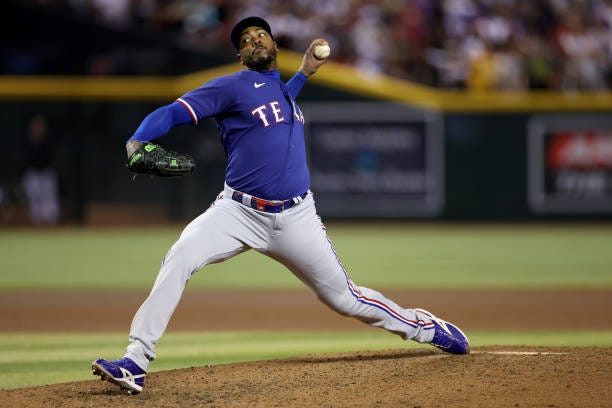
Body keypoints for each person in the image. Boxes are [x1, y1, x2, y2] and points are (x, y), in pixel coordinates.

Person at [92, 16, 469, 394]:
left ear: (274, 45)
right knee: (179, 257)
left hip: (297, 218)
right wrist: (137, 140)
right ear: (240, 55)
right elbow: (172, 112)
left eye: (261, 34)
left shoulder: (283, 90)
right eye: (246, 38)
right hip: (237, 212)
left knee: (345, 299)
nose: (255, 39)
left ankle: (424, 326)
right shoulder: (231, 86)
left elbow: (276, 98)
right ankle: (135, 361)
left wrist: (303, 74)